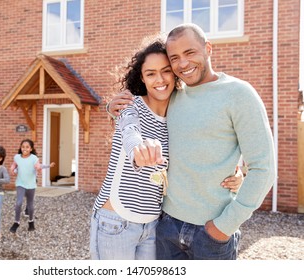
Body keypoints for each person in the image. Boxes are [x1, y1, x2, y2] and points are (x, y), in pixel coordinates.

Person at [107, 23, 276, 260]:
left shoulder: (239, 94)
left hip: (211, 234)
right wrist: (112, 107)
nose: (183, 64)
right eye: (174, 58)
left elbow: (264, 169)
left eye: (190, 53)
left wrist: (223, 227)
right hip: (166, 227)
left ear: (208, 48)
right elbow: (140, 113)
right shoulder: (173, 95)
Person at [90, 35, 243, 260]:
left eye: (165, 70)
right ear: (142, 78)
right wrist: (140, 151)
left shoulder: (179, 112)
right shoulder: (130, 106)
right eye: (150, 73)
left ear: (175, 72)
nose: (159, 79)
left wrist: (236, 171)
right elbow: (131, 132)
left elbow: (210, 140)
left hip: (154, 224)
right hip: (115, 221)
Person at [9, 139, 50, 233]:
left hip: (31, 185)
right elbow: (14, 165)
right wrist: (12, 169)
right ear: (20, 148)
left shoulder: (34, 158)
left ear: (31, 149)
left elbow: (38, 166)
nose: (25, 149)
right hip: (20, 183)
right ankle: (16, 222)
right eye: (23, 147)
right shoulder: (17, 157)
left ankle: (31, 221)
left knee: (30, 205)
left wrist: (39, 168)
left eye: (27, 147)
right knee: (18, 203)